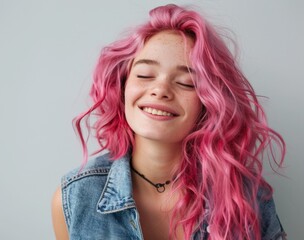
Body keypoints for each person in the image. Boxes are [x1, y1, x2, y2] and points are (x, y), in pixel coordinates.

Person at [51, 4, 286, 240]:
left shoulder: (248, 197)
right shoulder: (74, 198)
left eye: (186, 82)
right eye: (144, 75)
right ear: (122, 86)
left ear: (209, 102)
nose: (160, 90)